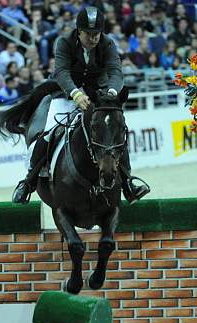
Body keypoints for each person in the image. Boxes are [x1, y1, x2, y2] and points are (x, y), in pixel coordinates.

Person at [11, 6, 150, 205]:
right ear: (79, 31)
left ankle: (128, 182)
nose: (94, 39)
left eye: (97, 34)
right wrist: (75, 94)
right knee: (49, 131)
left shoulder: (108, 43)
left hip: (99, 95)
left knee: (114, 132)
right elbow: (61, 72)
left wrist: (110, 93)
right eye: (89, 34)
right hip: (66, 94)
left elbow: (116, 72)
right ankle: (29, 181)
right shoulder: (64, 43)